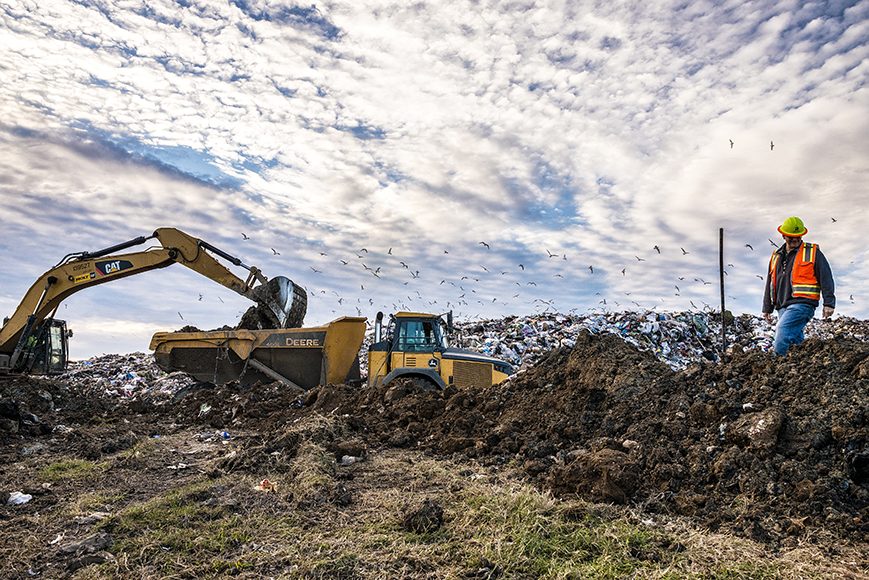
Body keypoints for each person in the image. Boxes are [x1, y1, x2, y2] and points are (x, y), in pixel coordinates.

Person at [762, 216, 835, 356]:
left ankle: (777, 368)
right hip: (782, 305)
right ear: (783, 235)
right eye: (791, 237)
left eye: (798, 236)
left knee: (782, 334)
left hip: (803, 304)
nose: (795, 239)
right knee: (795, 342)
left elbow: (826, 277)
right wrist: (767, 307)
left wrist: (829, 303)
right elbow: (770, 282)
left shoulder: (812, 252)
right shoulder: (776, 256)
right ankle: (802, 369)